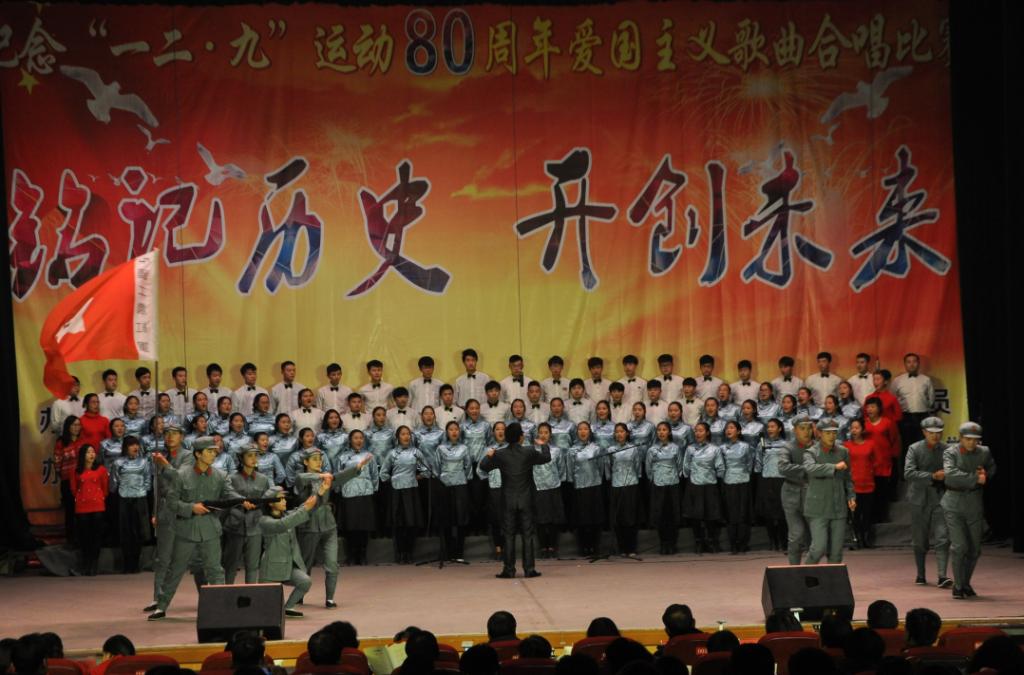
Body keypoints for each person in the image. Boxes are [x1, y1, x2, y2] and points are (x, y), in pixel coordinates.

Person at [148, 437, 249, 620]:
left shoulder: (220, 475)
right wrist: (191, 508)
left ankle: (221, 607)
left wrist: (242, 500)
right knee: (175, 570)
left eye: (214, 451)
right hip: (186, 529)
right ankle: (161, 606)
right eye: (209, 451)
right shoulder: (181, 475)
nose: (213, 454)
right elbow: (171, 502)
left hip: (210, 529)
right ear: (198, 454)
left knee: (215, 570)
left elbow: (229, 493)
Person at [296, 447, 373, 601]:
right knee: (305, 563)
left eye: (320, 459)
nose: (319, 462)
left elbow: (339, 477)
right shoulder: (301, 477)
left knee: (332, 564)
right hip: (309, 524)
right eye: (315, 459)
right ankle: (299, 595)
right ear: (306, 462)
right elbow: (303, 478)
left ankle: (330, 599)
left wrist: (357, 468)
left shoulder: (327, 477)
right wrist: (322, 475)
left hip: (328, 523)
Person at [479, 422, 551, 578]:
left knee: (508, 535)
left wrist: (488, 455)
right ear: (521, 437)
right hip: (526, 499)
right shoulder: (529, 451)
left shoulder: (500, 454)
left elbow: (483, 467)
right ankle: (529, 569)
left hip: (508, 500)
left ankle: (509, 570)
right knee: (527, 534)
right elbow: (546, 458)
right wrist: (543, 444)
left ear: (506, 437)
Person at [942, 421, 996, 599]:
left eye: (975, 439)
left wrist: (986, 474)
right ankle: (958, 586)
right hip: (954, 502)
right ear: (960, 438)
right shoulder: (951, 452)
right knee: (959, 546)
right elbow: (951, 474)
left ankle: (965, 583)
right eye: (968, 439)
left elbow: (991, 467)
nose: (972, 443)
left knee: (975, 549)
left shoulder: (984, 452)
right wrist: (975, 478)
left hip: (974, 502)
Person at [260, 485, 325, 617]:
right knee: (266, 611)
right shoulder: (264, 521)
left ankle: (288, 607)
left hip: (288, 566)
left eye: (285, 498)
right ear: (270, 503)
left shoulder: (288, 515)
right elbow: (282, 524)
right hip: (271, 569)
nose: (284, 501)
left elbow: (307, 508)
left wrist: (320, 492)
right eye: (280, 499)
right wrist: (305, 508)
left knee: (305, 581)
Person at [905, 416, 952, 587]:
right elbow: (908, 473)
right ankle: (921, 574)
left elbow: (954, 470)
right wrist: (932, 476)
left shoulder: (948, 450)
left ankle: (942, 575)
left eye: (938, 432)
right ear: (924, 432)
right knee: (919, 540)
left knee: (943, 537)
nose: (935, 435)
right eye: (931, 432)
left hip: (941, 497)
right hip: (919, 498)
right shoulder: (914, 449)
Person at [802, 418, 855, 564]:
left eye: (834, 432)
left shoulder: (843, 451)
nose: (832, 436)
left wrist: (851, 496)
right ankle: (805, 574)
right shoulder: (811, 453)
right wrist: (834, 467)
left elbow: (848, 477)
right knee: (818, 548)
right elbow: (810, 469)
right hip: (818, 508)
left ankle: (831, 579)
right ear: (819, 433)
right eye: (827, 433)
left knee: (836, 553)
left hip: (838, 506)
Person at [222, 444, 275, 585]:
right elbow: (226, 498)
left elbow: (266, 502)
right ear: (241, 458)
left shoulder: (263, 479)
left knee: (252, 566)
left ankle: (250, 595)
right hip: (235, 526)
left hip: (255, 526)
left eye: (255, 455)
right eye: (249, 455)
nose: (253, 458)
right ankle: (226, 594)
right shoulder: (231, 478)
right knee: (230, 565)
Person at [380, 427, 430, 564]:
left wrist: (415, 477)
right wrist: (394, 479)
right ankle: (400, 553)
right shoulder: (392, 453)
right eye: (403, 434)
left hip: (411, 491)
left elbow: (426, 471)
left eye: (408, 434)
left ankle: (409, 552)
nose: (406, 436)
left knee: (411, 523)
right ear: (398, 437)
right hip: (396, 492)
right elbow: (383, 473)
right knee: (398, 524)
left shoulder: (416, 452)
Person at [335, 429, 379, 566]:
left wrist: (373, 489)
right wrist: (338, 489)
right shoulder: (343, 457)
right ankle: (351, 554)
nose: (359, 440)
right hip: (349, 492)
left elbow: (374, 475)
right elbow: (338, 475)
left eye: (361, 438)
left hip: (365, 492)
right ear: (350, 440)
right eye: (355, 438)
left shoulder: (369, 456)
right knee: (350, 525)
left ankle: (362, 554)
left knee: (364, 525)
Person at [682, 422, 724, 554]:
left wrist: (714, 478)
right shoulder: (690, 449)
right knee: (696, 516)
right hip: (694, 485)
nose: (697, 433)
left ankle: (711, 541)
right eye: (696, 431)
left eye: (701, 431)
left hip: (710, 485)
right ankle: (698, 542)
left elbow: (720, 468)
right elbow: (685, 467)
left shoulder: (715, 449)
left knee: (711, 516)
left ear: (707, 433)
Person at [110, 436, 150, 574]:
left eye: (136, 445)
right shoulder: (118, 462)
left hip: (140, 498)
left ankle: (136, 563)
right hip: (124, 498)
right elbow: (113, 482)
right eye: (132, 445)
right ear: (126, 447)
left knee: (138, 531)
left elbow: (148, 479)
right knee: (125, 531)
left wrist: (142, 491)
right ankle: (127, 563)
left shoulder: (144, 462)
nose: (135, 447)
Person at [778, 413, 814, 565]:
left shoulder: (818, 447)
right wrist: (807, 469)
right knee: (796, 535)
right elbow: (783, 467)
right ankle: (794, 569)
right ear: (795, 430)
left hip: (813, 494)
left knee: (815, 537)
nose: (806, 431)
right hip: (791, 493)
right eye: (802, 428)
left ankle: (812, 569)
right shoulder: (788, 447)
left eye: (809, 428)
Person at [568, 421, 607, 556]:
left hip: (594, 486)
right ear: (577, 432)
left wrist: (597, 480)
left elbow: (601, 467)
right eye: (580, 429)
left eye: (585, 429)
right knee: (581, 519)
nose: (583, 432)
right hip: (579, 487)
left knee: (595, 518)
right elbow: (569, 469)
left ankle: (595, 546)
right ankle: (583, 547)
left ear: (590, 432)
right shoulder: (572, 450)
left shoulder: (596, 448)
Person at [436, 421, 473, 561]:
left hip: (460, 485)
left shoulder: (464, 448)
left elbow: (468, 467)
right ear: (447, 432)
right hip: (445, 486)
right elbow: (436, 467)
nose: (454, 432)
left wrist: (463, 479)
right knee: (447, 519)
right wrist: (442, 480)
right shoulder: (440, 448)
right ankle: (448, 552)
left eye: (456, 429)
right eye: (451, 429)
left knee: (461, 519)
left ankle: (459, 552)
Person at [646, 422, 683, 555]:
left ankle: (672, 543)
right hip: (658, 485)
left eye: (664, 430)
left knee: (672, 515)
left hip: (673, 484)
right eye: (659, 430)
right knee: (660, 515)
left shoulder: (676, 448)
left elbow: (679, 466)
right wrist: (655, 479)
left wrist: (674, 477)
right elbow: (648, 468)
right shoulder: (652, 449)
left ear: (669, 432)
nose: (661, 432)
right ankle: (663, 543)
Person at [72, 444, 109, 575]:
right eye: (88, 452)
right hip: (82, 506)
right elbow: (74, 489)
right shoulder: (76, 471)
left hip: (97, 505)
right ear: (83, 455)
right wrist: (80, 498)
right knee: (84, 536)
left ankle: (94, 564)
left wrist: (99, 497)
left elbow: (105, 488)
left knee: (96, 536)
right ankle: (85, 563)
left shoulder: (101, 470)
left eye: (93, 452)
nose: (92, 454)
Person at [609, 421, 644, 558]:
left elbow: (637, 467)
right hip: (616, 485)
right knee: (619, 518)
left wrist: (635, 478)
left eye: (622, 431)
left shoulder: (633, 449)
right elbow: (609, 467)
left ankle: (632, 547)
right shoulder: (611, 450)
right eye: (617, 432)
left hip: (631, 485)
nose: (619, 434)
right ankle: (622, 548)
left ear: (627, 433)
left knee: (631, 517)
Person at [863, 396, 900, 521]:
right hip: (868, 462)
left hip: (884, 461)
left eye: (872, 407)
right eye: (868, 407)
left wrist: (894, 456)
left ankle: (882, 516)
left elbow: (894, 439)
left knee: (882, 490)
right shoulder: (863, 423)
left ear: (879, 408)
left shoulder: (887, 422)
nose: (869, 409)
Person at [531, 423, 565, 559]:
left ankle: (552, 546)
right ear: (537, 434)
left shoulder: (556, 450)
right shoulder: (532, 451)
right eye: (541, 432)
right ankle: (542, 547)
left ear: (550, 434)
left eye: (546, 432)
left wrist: (557, 481)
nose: (543, 435)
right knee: (540, 520)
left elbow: (561, 468)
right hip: (538, 488)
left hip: (553, 487)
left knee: (553, 519)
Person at [755, 418, 789, 552]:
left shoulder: (786, 444)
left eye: (773, 426)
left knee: (782, 513)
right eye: (768, 427)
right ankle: (773, 541)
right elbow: (758, 462)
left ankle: (784, 541)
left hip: (781, 480)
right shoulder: (762, 444)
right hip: (766, 479)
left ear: (780, 428)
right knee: (768, 514)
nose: (770, 429)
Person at [720, 420, 754, 554]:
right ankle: (733, 544)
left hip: (743, 481)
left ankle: (743, 543)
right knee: (731, 514)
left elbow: (750, 464)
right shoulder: (722, 447)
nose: (728, 430)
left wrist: (742, 474)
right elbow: (721, 465)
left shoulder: (745, 446)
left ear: (739, 431)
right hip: (728, 482)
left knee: (743, 514)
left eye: (731, 428)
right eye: (727, 428)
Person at [845, 419, 879, 549]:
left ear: (863, 429)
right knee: (855, 514)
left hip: (868, 483)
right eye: (852, 428)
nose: (854, 430)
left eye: (857, 428)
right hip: (852, 485)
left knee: (867, 513)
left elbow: (876, 461)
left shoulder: (870, 444)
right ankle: (856, 539)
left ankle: (866, 539)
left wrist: (870, 471)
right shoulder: (846, 446)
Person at [55, 415, 86, 541]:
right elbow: (57, 463)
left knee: (82, 510)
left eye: (78, 425)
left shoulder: (83, 441)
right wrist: (64, 475)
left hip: (82, 480)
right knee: (70, 510)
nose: (76, 427)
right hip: (67, 480)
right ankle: (71, 539)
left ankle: (82, 538)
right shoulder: (61, 442)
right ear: (68, 427)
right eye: (73, 425)